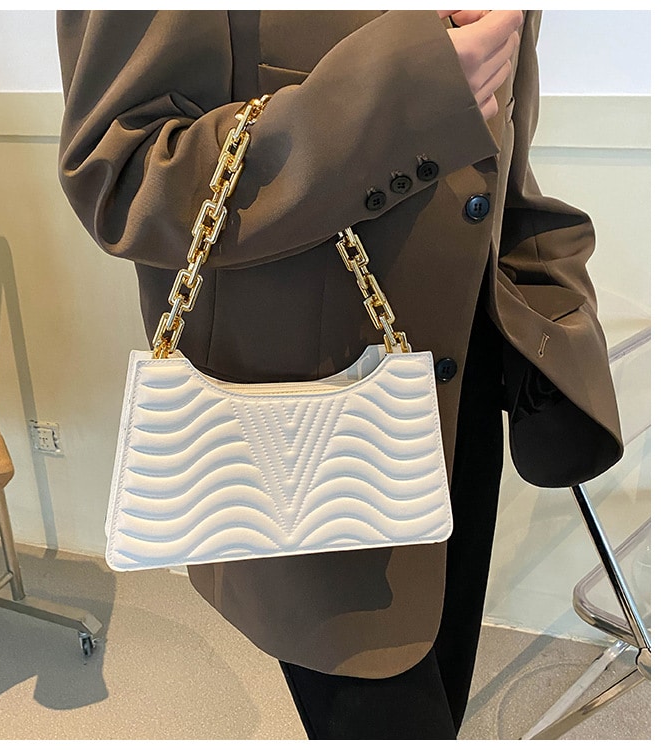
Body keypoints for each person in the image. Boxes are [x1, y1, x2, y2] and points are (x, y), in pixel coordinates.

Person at [56, 10, 622, 739]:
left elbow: (496, 148)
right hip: (300, 431)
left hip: (463, 392)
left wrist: (548, 278)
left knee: (438, 701)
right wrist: (403, 95)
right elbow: (122, 175)